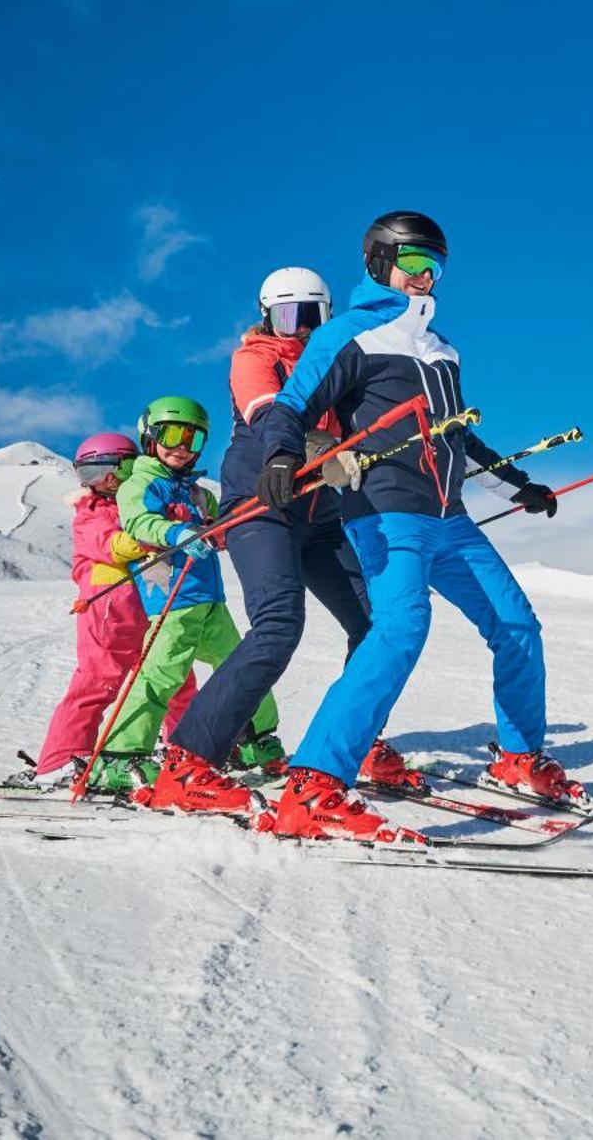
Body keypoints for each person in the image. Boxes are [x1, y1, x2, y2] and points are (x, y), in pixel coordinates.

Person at [250, 211, 570, 841]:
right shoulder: (350, 334)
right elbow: (291, 404)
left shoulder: (442, 348)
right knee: (400, 629)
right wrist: (283, 455)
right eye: (413, 262)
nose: (426, 276)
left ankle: (518, 756)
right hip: (384, 507)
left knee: (516, 624)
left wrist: (516, 484)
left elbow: (458, 433)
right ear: (378, 263)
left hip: (450, 515)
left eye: (435, 266)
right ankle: (313, 784)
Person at [139, 269, 375, 815]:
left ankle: (353, 745)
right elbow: (267, 412)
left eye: (314, 317)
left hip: (319, 515)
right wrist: (309, 446)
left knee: (377, 625)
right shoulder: (254, 356)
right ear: (268, 314)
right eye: (290, 317)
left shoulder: (336, 361)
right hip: (261, 505)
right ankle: (189, 761)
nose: (302, 329)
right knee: (278, 625)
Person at [86, 396, 284, 794]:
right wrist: (174, 533)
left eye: (193, 441)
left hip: (210, 600)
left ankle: (253, 741)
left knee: (244, 666)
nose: (182, 447)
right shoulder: (141, 482)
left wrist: (230, 526)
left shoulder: (196, 492)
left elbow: (217, 526)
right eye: (173, 435)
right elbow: (139, 522)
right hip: (171, 600)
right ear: (150, 436)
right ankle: (120, 757)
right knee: (160, 675)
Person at [0, 432, 197, 789]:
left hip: (152, 605)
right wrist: (158, 532)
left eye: (105, 471)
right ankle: (60, 761)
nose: (99, 482)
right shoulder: (91, 512)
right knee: (98, 680)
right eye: (88, 474)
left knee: (175, 679)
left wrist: (177, 520)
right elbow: (115, 546)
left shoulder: (140, 501)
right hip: (110, 609)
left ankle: (183, 753)